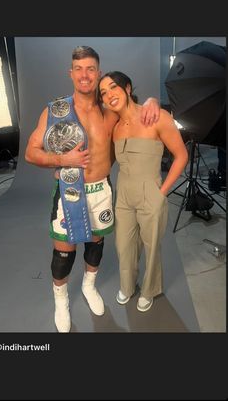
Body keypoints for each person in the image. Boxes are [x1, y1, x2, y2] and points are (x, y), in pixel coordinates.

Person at [25, 46, 161, 332]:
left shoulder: (110, 111)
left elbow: (136, 109)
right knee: (63, 254)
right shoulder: (55, 111)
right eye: (79, 69)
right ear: (71, 73)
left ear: (98, 73)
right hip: (70, 191)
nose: (84, 75)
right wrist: (63, 159)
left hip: (101, 190)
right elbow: (30, 153)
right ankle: (61, 302)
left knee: (95, 247)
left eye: (90, 69)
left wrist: (152, 99)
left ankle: (89, 287)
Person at [98, 71, 188, 312]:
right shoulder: (115, 127)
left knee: (151, 246)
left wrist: (162, 192)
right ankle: (127, 286)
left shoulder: (157, 117)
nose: (109, 95)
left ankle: (149, 290)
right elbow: (106, 164)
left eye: (113, 87)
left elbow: (181, 156)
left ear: (127, 88)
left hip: (151, 193)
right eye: (104, 93)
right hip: (123, 196)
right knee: (123, 246)